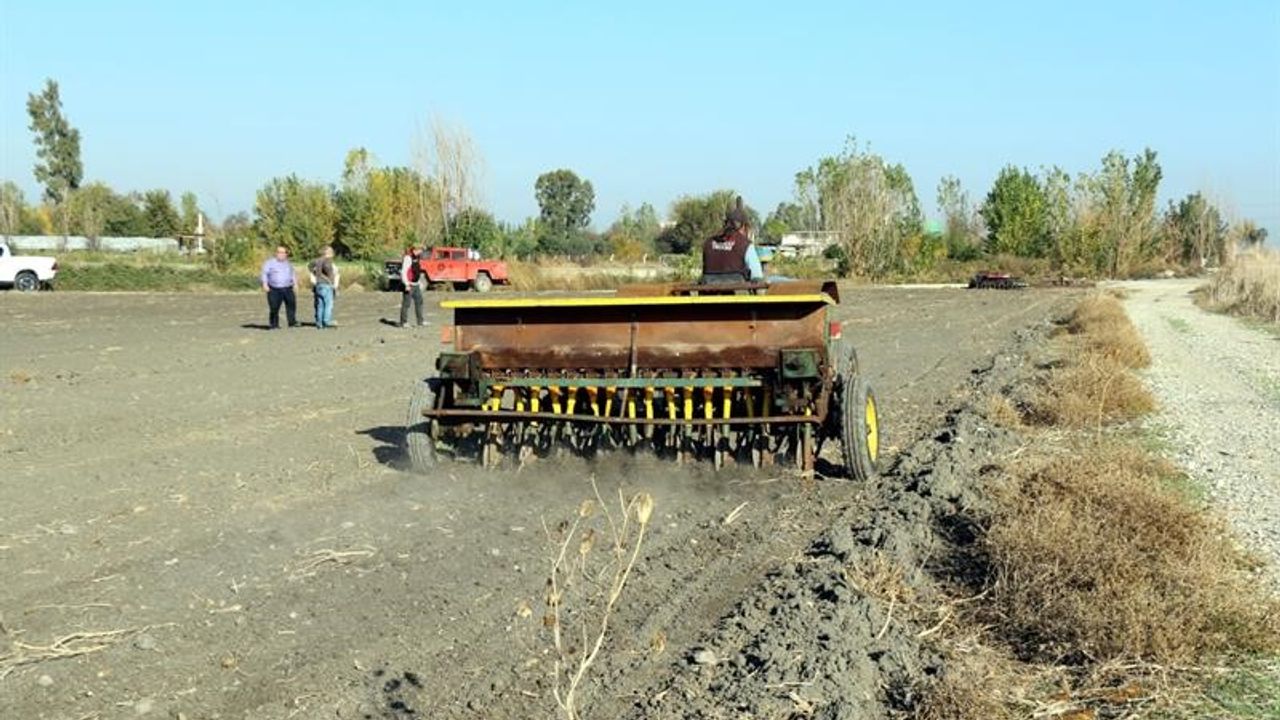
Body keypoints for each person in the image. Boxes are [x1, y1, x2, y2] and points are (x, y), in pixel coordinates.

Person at [701, 196, 764, 284]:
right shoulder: (746, 245)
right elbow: (757, 276)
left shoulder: (708, 243)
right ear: (743, 227)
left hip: (709, 294)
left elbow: (705, 270)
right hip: (737, 294)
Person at [260, 245, 298, 328]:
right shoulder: (269, 263)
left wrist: (295, 284)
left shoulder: (288, 264)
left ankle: (292, 322)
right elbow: (264, 274)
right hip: (274, 289)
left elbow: (293, 274)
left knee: (291, 305)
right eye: (278, 252)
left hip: (288, 288)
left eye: (282, 252)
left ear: (286, 254)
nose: (280, 254)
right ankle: (274, 324)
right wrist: (264, 284)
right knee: (274, 307)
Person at [309, 245, 338, 329]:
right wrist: (330, 280)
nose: (333, 255)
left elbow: (309, 266)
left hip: (318, 285)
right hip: (326, 285)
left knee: (320, 305)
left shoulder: (316, 260)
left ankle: (319, 323)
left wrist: (315, 273)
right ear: (328, 253)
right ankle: (327, 321)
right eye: (332, 253)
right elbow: (329, 271)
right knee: (328, 304)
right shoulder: (327, 261)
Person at [399, 246, 427, 327]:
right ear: (415, 250)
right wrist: (406, 284)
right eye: (420, 250)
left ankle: (420, 321)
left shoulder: (417, 257)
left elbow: (416, 270)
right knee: (406, 304)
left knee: (419, 302)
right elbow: (404, 272)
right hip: (409, 284)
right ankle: (403, 322)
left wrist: (419, 282)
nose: (421, 252)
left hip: (416, 284)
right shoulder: (408, 258)